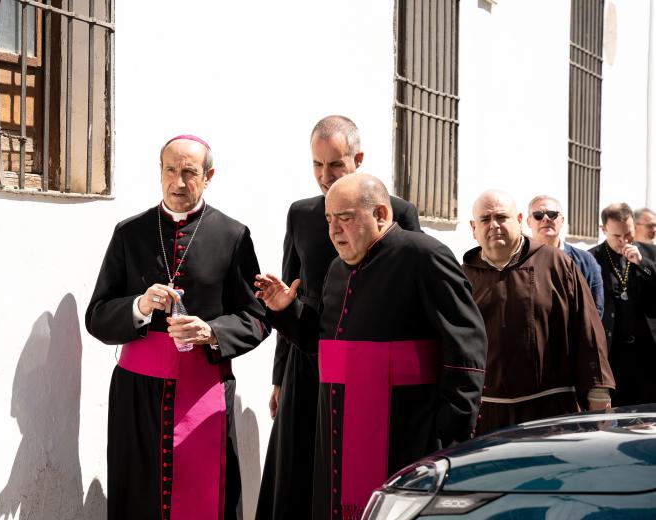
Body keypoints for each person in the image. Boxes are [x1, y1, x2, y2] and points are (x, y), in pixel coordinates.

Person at [255, 173, 486, 519]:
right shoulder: (336, 270)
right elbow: (327, 348)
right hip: (339, 432)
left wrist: (449, 430)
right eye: (329, 220)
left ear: (380, 214)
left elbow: (467, 343)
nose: (334, 231)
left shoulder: (424, 256)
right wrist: (288, 311)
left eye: (345, 218)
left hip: (404, 433)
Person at [85, 135, 270, 520]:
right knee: (138, 494)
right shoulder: (128, 233)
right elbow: (97, 316)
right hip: (137, 393)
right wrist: (139, 306)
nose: (179, 183)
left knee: (206, 495)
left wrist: (211, 332)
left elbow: (257, 317)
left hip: (203, 389)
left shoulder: (233, 236)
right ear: (160, 172)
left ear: (209, 175)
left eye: (189, 172)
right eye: (171, 170)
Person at [256, 116, 421, 520]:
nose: (324, 176)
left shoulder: (397, 211)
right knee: (300, 468)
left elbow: (411, 291)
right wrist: (279, 376)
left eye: (334, 164)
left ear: (358, 159)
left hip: (370, 366)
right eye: (317, 165)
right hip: (307, 360)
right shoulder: (300, 214)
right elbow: (288, 296)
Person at [463, 190, 615, 436]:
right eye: (485, 219)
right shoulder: (466, 276)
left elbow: (587, 326)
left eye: (502, 217)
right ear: (473, 227)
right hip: (487, 413)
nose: (494, 225)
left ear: (519, 220)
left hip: (549, 411)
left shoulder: (556, 263)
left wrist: (598, 390)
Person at [589, 203, 656, 406]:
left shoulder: (650, 253)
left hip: (648, 351)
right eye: (617, 236)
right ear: (604, 230)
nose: (624, 241)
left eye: (628, 234)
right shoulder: (592, 258)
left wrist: (642, 264)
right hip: (613, 353)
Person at [526, 194, 604, 317]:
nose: (546, 218)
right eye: (538, 215)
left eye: (552, 214)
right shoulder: (520, 260)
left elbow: (596, 310)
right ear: (529, 222)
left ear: (562, 220)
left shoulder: (586, 260)